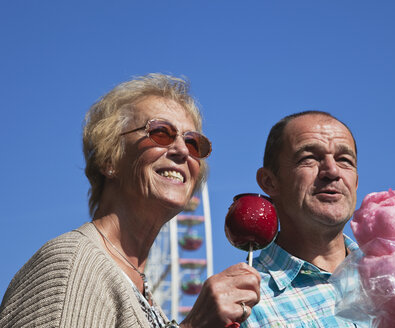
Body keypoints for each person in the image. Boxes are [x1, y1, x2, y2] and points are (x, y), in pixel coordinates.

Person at [0, 73, 260, 328]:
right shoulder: (72, 264)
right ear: (109, 160)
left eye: (193, 143)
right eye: (161, 132)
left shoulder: (140, 294)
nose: (182, 150)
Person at [242, 110, 395, 327]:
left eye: (344, 160)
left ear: (355, 182)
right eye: (309, 158)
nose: (332, 171)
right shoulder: (244, 305)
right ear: (269, 181)